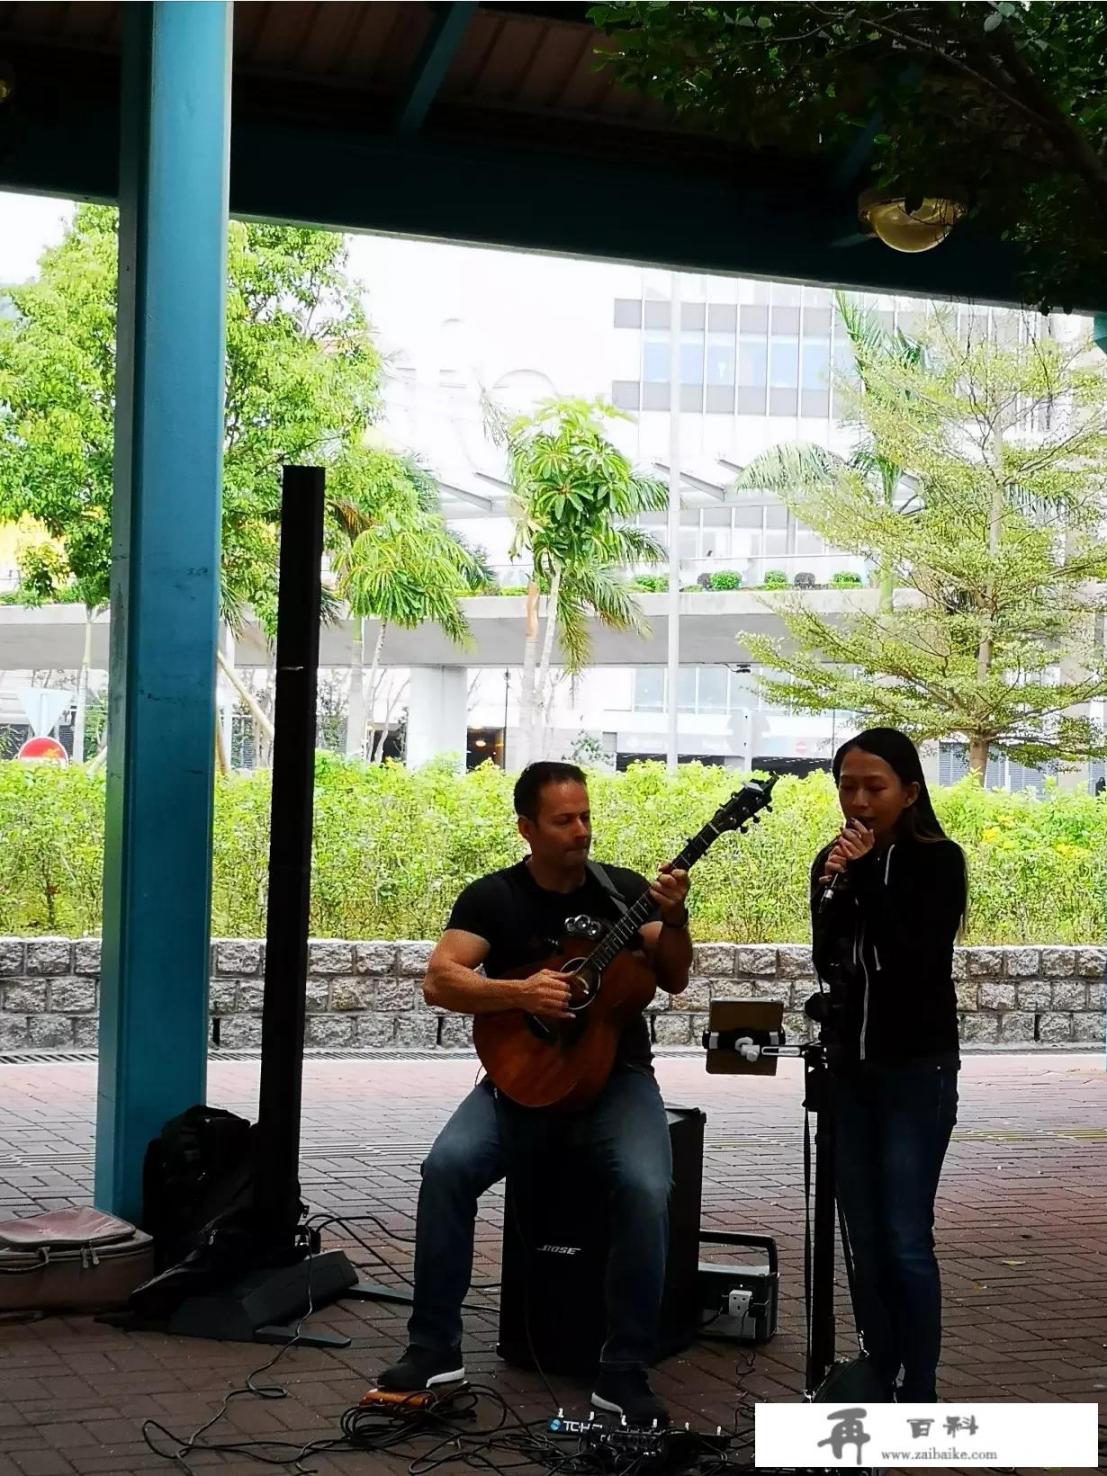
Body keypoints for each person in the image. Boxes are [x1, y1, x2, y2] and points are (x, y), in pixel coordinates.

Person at [377, 761, 692, 1424]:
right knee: (446, 1167)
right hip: (521, 1079)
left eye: (584, 816)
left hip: (617, 1079)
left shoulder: (621, 892)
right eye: (563, 820)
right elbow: (440, 981)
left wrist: (677, 917)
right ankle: (432, 1348)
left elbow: (673, 976)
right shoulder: (494, 898)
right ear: (526, 828)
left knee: (645, 1187)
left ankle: (624, 1369)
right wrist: (518, 992)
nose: (580, 830)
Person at [809, 728, 967, 1404]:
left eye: (874, 787)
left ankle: (919, 1388)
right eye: (847, 785)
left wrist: (865, 876)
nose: (858, 800)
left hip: (915, 1072)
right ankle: (881, 1360)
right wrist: (832, 893)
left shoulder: (938, 860)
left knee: (904, 1233)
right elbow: (829, 958)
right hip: (851, 1071)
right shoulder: (833, 859)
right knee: (860, 1233)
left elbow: (914, 956)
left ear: (908, 792)